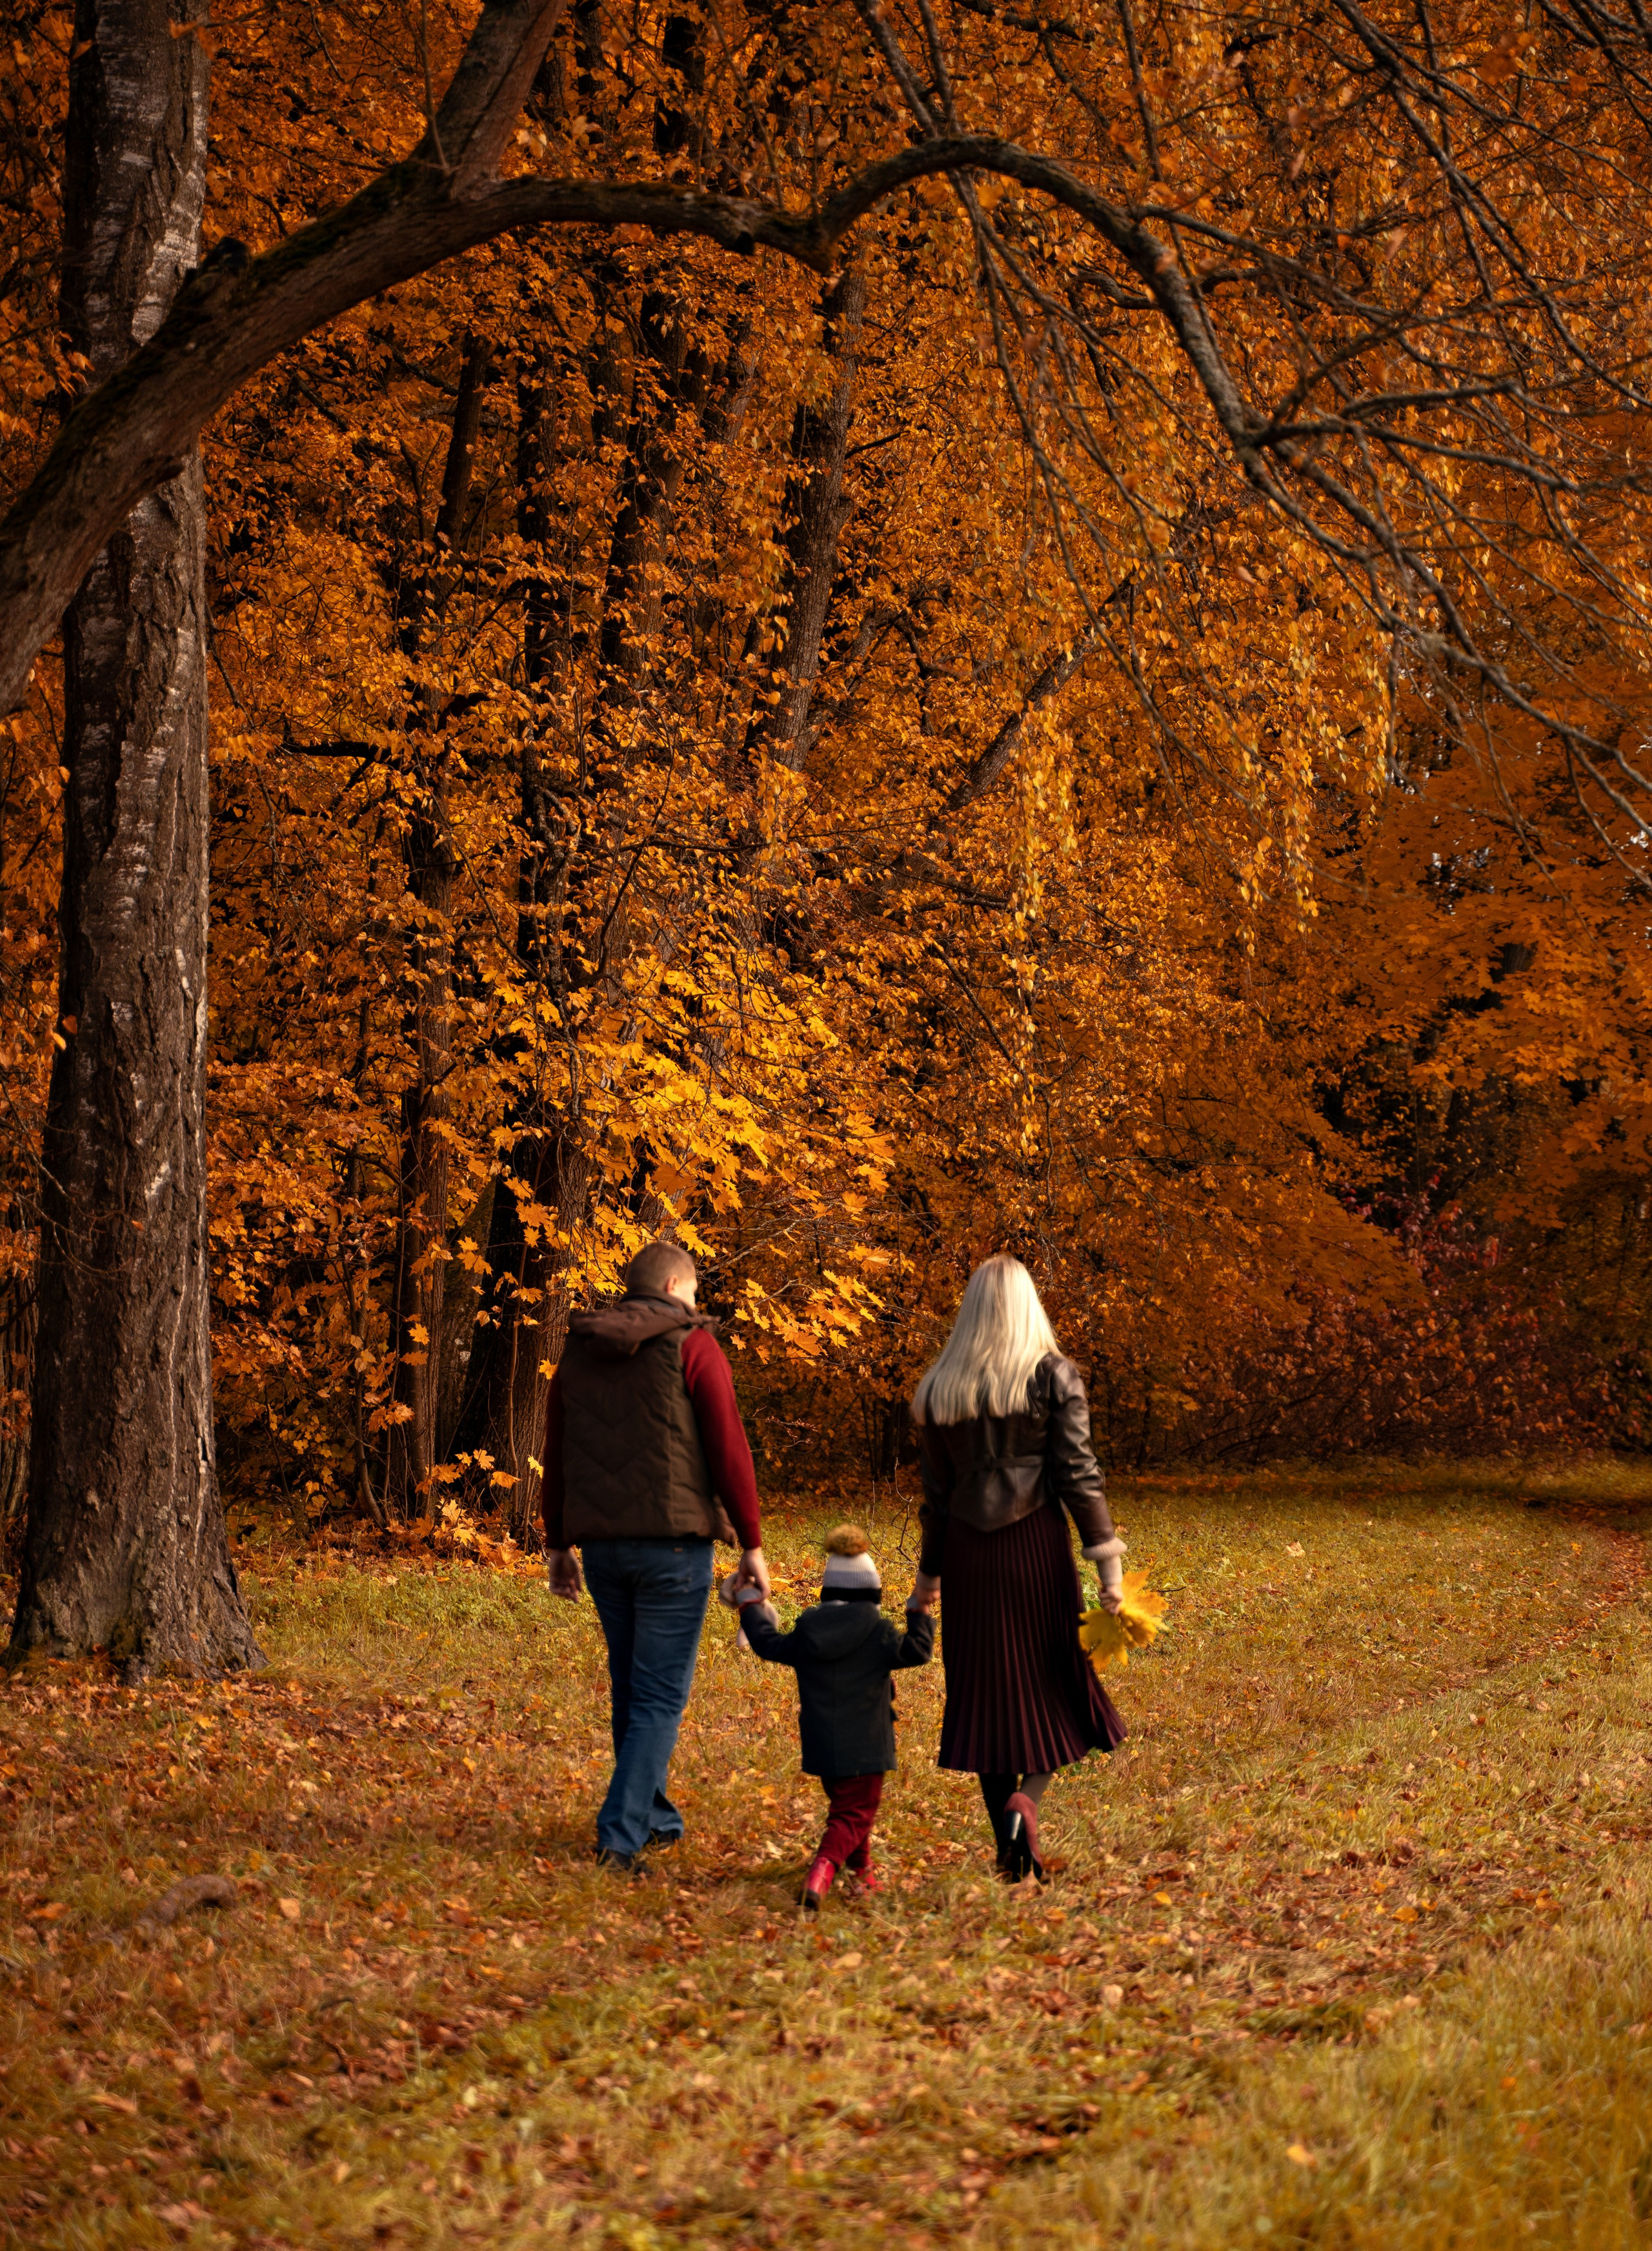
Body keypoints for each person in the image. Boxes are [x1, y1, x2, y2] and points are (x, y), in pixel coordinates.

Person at [543, 1241, 769, 1871]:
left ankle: (655, 1815)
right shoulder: (693, 1345)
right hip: (674, 1547)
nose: (696, 1306)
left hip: (604, 1550)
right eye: (693, 1295)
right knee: (659, 1697)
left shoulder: (580, 1350)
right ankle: (618, 1837)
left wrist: (557, 1542)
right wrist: (750, 1542)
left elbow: (557, 1447)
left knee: (633, 1686)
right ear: (675, 1285)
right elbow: (729, 1447)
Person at [909, 1254, 1125, 1882]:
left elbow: (937, 1501)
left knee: (986, 1699)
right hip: (1035, 1548)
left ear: (970, 1311)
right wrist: (1107, 1565)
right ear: (1028, 1305)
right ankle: (1025, 1802)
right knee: (1058, 1684)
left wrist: (928, 1580)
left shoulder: (939, 1388)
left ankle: (1011, 1858)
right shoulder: (1054, 1376)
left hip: (970, 1558)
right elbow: (1078, 1474)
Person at [735, 1524, 934, 1910]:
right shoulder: (878, 1633)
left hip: (823, 1745)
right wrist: (919, 1612)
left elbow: (768, 1643)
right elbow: (919, 1651)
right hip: (866, 1746)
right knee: (855, 1813)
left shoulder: (808, 1631)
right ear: (872, 1594)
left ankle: (863, 1873)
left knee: (848, 1810)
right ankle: (823, 1869)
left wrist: (750, 1605)